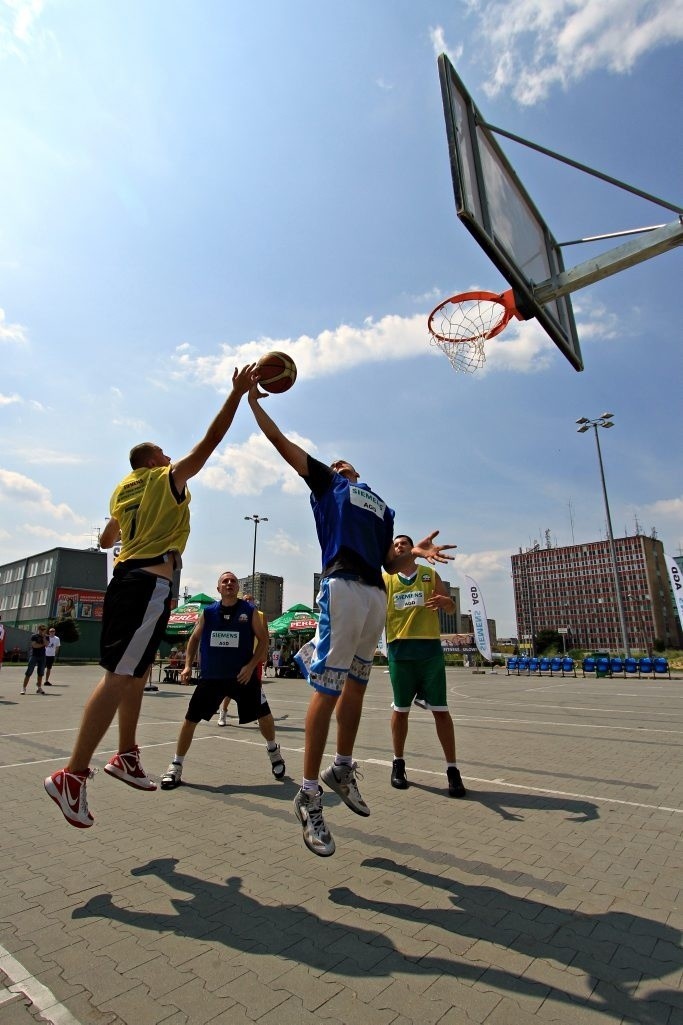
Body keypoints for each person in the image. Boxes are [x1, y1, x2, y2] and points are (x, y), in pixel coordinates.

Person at [44, 363, 256, 829]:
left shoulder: (123, 489)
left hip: (129, 578)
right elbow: (209, 445)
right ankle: (72, 776)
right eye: (163, 451)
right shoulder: (165, 479)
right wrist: (237, 394)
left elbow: (105, 539)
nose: (169, 455)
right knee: (120, 676)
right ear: (154, 458)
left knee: (137, 673)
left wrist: (123, 530)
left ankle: (126, 755)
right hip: (148, 584)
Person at [248, 382, 455, 857]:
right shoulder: (328, 484)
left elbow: (388, 559)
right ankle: (308, 792)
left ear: (359, 469)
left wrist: (413, 553)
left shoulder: (382, 506)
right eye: (334, 463)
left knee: (358, 685)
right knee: (329, 687)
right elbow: (283, 444)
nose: (339, 465)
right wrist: (254, 403)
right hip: (341, 585)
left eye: (345, 462)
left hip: (374, 593)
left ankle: (340, 768)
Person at [161, 571, 285, 788]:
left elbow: (264, 640)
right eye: (224, 581)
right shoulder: (208, 613)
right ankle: (175, 766)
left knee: (265, 717)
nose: (229, 583)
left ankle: (273, 750)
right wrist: (188, 665)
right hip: (212, 678)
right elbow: (194, 639)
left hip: (243, 677)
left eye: (233, 581)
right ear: (218, 588)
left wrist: (251, 665)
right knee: (190, 720)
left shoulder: (249, 611)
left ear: (238, 588)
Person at [383, 534, 466, 798]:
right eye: (395, 545)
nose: (399, 547)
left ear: (411, 548)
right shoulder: (386, 578)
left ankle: (453, 770)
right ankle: (398, 764)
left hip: (429, 650)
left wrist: (447, 603)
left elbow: (451, 608)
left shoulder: (429, 575)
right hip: (399, 649)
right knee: (401, 710)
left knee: (441, 711)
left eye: (403, 544)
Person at [217, 592, 266, 726]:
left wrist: (263, 655)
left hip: (254, 657)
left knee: (257, 686)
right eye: (246, 599)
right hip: (238, 656)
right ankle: (223, 711)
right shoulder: (236, 613)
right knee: (230, 686)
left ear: (254, 601)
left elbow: (265, 637)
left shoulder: (261, 615)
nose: (248, 601)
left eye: (250, 599)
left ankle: (257, 713)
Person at [22, 625, 48, 694]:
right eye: (42, 629)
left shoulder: (46, 637)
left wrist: (44, 637)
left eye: (44, 629)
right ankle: (24, 688)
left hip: (42, 656)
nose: (43, 631)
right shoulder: (34, 636)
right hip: (34, 656)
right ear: (38, 629)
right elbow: (34, 645)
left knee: (40, 673)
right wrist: (43, 645)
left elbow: (47, 644)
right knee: (29, 672)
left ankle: (39, 688)